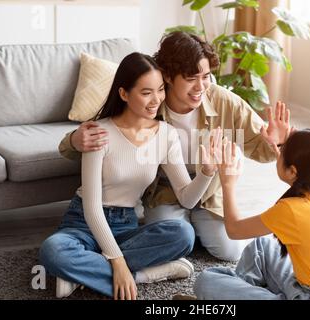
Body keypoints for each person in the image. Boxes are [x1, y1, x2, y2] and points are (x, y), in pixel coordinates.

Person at [59, 31, 292, 262]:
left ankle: (198, 229)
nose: (201, 86)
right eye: (191, 78)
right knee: (177, 239)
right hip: (165, 192)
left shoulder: (224, 102)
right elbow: (105, 126)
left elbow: (262, 150)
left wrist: (278, 142)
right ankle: (188, 233)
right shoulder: (150, 103)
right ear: (168, 77)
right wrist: (74, 140)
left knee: (230, 251)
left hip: (209, 191)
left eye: (206, 76)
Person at [39, 52, 223, 300]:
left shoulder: (166, 135)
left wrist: (207, 173)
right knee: (53, 251)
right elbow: (93, 209)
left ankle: (80, 274)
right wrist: (119, 265)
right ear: (124, 94)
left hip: (126, 224)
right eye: (146, 92)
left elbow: (187, 199)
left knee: (183, 234)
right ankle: (143, 275)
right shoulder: (99, 132)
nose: (156, 100)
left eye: (160, 90)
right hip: (83, 221)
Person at [193, 128, 310, 300]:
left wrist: (228, 182)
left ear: (293, 171)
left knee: (206, 281)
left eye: (282, 152)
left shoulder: (291, 210)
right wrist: (282, 143)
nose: (278, 155)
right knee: (261, 247)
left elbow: (234, 230)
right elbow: (306, 165)